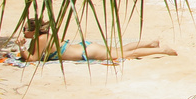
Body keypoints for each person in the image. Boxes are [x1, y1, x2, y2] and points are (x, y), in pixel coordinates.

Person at [12, 19, 177, 62]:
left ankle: (162, 50)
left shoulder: (41, 40)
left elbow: (32, 59)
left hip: (87, 52)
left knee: (126, 54)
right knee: (120, 49)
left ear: (33, 31)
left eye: (25, 30)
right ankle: (151, 43)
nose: (23, 32)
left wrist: (21, 48)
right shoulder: (44, 37)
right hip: (87, 48)